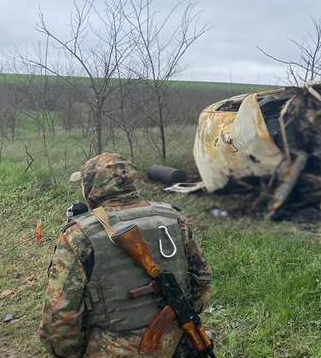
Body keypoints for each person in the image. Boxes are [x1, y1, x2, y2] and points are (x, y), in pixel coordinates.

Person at [39, 152, 212, 357]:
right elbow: (202, 282)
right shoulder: (174, 218)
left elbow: (59, 319)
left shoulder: (79, 235)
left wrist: (73, 353)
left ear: (90, 186)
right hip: (178, 344)